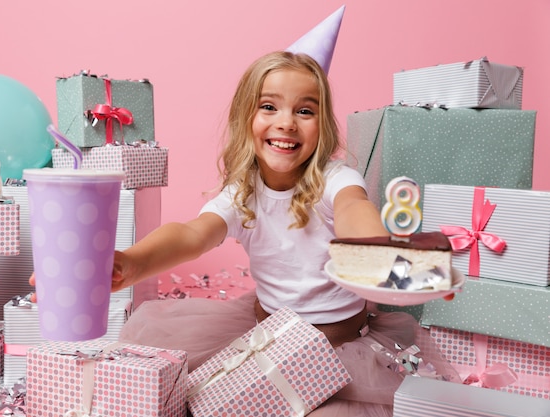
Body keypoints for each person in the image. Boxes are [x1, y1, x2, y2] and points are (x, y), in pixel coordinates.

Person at [109, 51, 461, 416]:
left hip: (339, 347)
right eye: (269, 107)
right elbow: (192, 234)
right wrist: (132, 263)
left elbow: (353, 208)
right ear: (246, 118)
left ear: (322, 125)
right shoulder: (241, 194)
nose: (287, 123)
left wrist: (378, 252)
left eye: (305, 111)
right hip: (268, 335)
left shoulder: (335, 180)